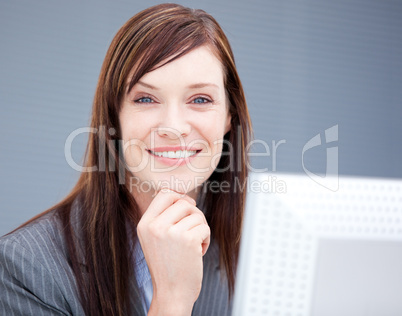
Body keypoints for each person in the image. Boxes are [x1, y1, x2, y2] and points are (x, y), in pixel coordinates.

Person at [0, 3, 252, 316]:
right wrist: (172, 300)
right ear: (114, 118)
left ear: (229, 117)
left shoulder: (261, 253)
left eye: (200, 99)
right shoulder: (25, 267)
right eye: (146, 99)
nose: (173, 128)